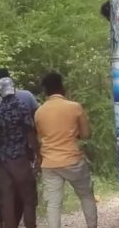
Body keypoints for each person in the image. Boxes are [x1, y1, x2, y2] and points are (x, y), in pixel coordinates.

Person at [34, 72, 97, 228]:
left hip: (49, 163)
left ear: (45, 91)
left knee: (53, 203)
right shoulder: (74, 107)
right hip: (72, 160)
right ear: (62, 87)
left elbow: (39, 139)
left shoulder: (39, 112)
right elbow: (86, 134)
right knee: (86, 195)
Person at [0, 68, 39, 228]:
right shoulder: (23, 106)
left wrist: (2, 143)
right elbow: (31, 134)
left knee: (7, 201)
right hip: (21, 158)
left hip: (3, 161)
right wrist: (38, 154)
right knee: (29, 197)